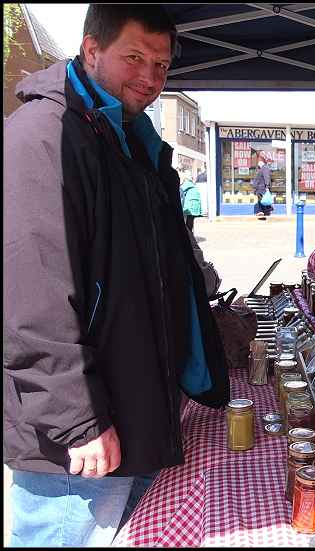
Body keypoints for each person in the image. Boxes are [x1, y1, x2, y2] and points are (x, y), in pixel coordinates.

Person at [3, 5, 229, 547]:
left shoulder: (129, 139)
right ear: (91, 50)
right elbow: (31, 296)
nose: (150, 77)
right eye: (134, 57)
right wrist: (78, 420)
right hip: (78, 432)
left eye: (162, 65)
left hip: (136, 403)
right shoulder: (44, 135)